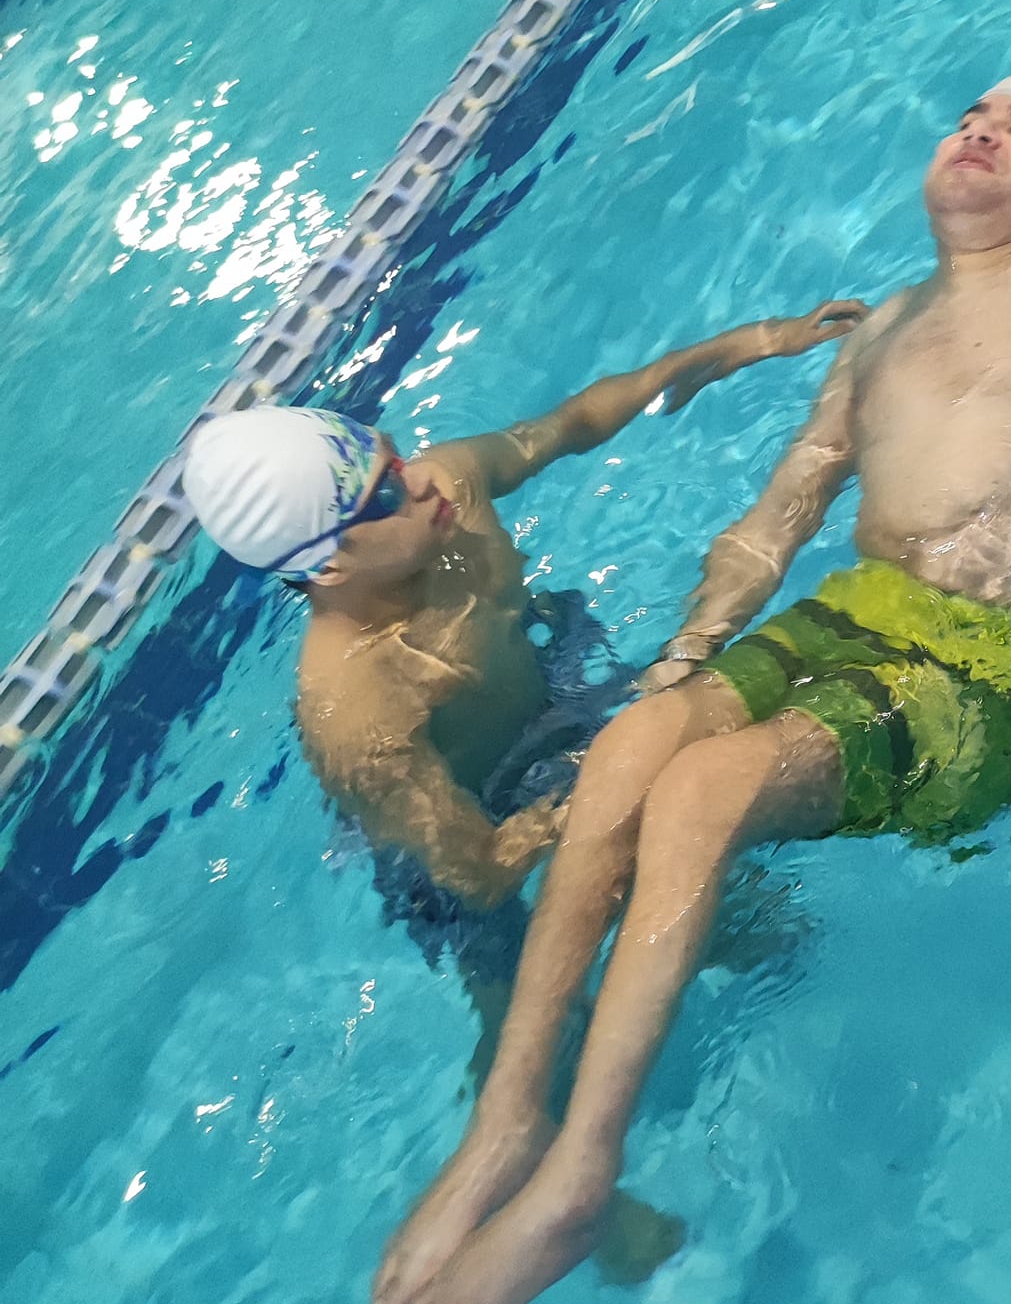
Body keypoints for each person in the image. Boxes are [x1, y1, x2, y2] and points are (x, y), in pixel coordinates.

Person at [372, 69, 1011, 1304]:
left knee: (704, 790)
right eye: (973, 115)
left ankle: (580, 1170)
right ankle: (507, 1124)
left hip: (994, 661)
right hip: (852, 615)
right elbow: (781, 509)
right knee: (633, 747)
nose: (983, 130)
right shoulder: (883, 325)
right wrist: (685, 653)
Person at [182, 303, 864, 919]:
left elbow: (572, 424)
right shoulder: (357, 710)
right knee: (693, 913)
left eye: (393, 456)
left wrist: (748, 343)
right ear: (328, 565)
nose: (418, 480)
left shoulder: (449, 485)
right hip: (486, 810)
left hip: (557, 702)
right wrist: (608, 782)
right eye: (385, 496)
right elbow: (481, 874)